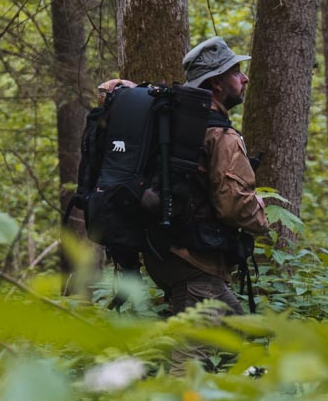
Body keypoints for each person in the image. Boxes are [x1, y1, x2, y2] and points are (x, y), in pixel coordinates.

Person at [97, 36, 270, 315]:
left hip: (168, 255)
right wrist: (260, 214)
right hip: (193, 263)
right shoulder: (220, 135)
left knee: (241, 336)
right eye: (236, 72)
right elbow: (234, 205)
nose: (245, 78)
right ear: (217, 83)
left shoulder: (174, 126)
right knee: (195, 345)